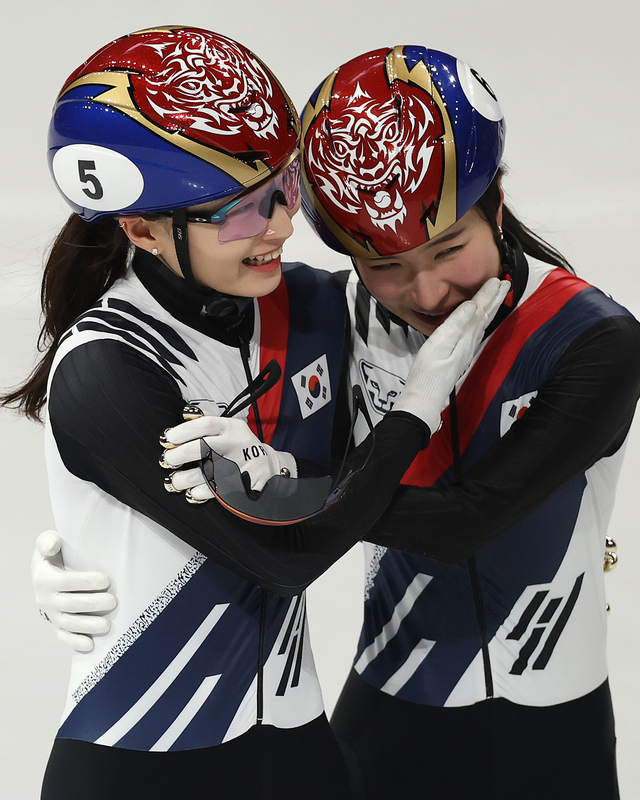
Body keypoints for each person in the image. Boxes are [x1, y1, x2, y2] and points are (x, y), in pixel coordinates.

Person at [3, 29, 506, 800]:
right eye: (240, 213)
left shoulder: (310, 305)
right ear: (140, 229)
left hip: (298, 749)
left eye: (285, 187)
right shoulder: (104, 371)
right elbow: (287, 557)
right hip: (143, 752)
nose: (277, 225)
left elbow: (495, 325)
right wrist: (414, 409)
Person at [298, 46, 640, 799]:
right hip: (390, 705)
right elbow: (180, 385)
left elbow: (466, 520)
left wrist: (281, 501)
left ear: (497, 204)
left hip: (552, 723)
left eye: (449, 248)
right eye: (384, 264)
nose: (423, 290)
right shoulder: (329, 319)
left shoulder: (590, 338)